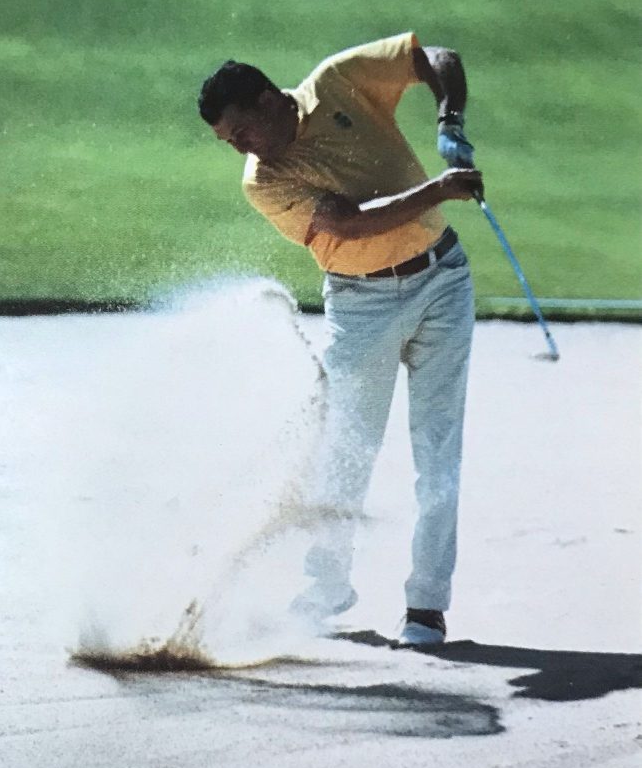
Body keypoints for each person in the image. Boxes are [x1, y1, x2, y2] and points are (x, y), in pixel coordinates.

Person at [197, 32, 483, 645]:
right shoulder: (263, 181)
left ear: (269, 99)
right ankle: (327, 584)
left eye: (241, 132)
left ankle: (426, 606)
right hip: (362, 304)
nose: (240, 149)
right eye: (228, 143)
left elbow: (439, 60)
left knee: (439, 453)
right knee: (346, 451)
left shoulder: (338, 81)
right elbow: (349, 225)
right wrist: (440, 189)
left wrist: (448, 120)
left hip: (444, 281)